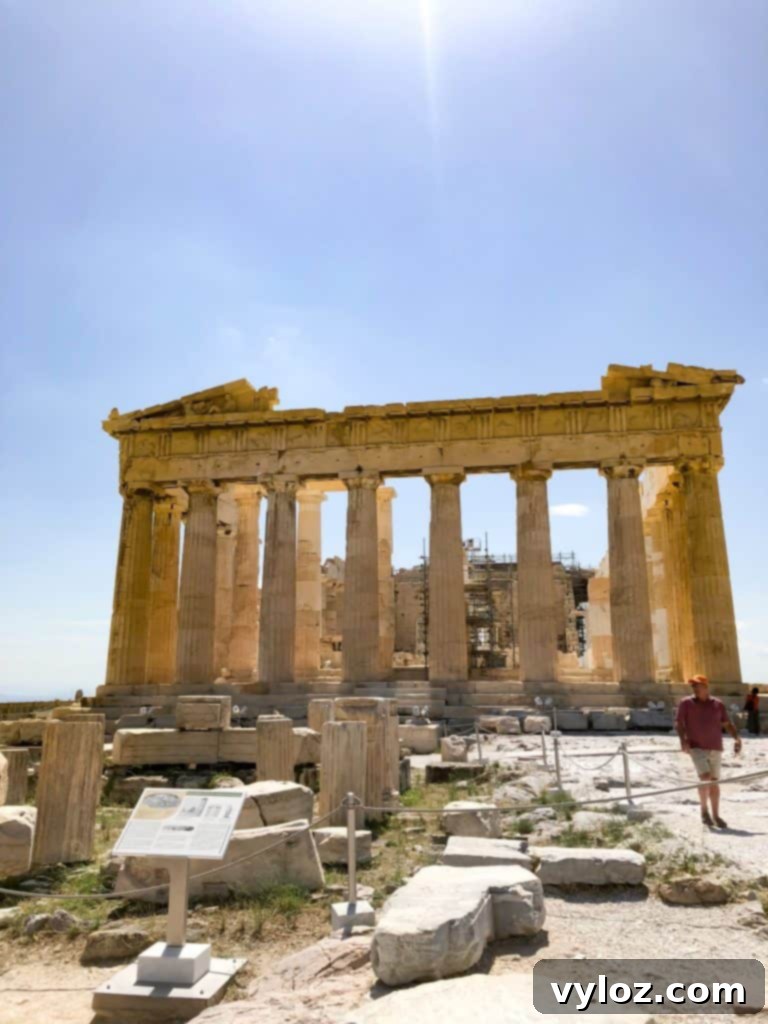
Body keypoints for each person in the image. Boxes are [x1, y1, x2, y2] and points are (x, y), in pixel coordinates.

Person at [675, 674, 741, 828]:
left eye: (697, 685)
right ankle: (704, 811)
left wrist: (737, 739)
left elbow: (726, 723)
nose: (694, 688)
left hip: (715, 746)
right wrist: (683, 740)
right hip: (696, 746)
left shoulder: (718, 704)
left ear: (705, 686)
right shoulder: (686, 703)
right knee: (705, 776)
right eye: (693, 686)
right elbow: (679, 723)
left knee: (714, 782)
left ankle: (716, 815)